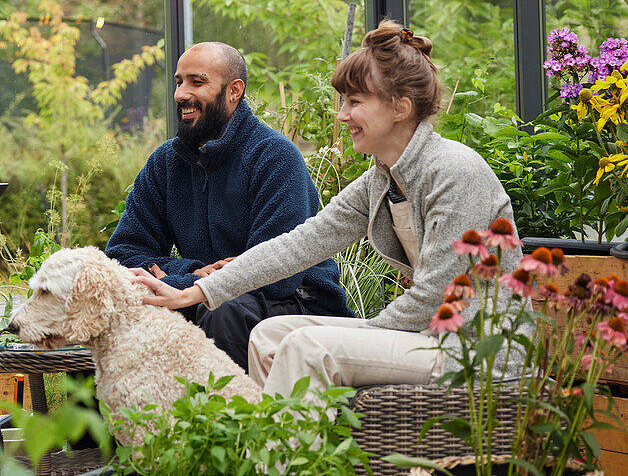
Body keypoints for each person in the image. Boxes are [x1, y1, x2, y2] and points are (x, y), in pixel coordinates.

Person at [133, 21, 519, 396]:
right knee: (269, 336)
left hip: (476, 350)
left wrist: (362, 334)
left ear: (399, 107)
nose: (342, 115)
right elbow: (297, 245)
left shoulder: (455, 172)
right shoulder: (381, 180)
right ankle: (294, 446)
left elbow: (439, 297)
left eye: (355, 102)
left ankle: (275, 458)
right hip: (424, 336)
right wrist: (197, 291)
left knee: (307, 347)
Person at [105, 41, 352, 370]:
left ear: (234, 90)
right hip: (209, 297)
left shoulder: (274, 157)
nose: (181, 94)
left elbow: (274, 275)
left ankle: (234, 420)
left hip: (299, 304)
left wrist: (185, 285)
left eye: (197, 81)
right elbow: (123, 255)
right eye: (179, 82)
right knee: (111, 307)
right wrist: (191, 272)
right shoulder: (165, 163)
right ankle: (118, 421)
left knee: (225, 308)